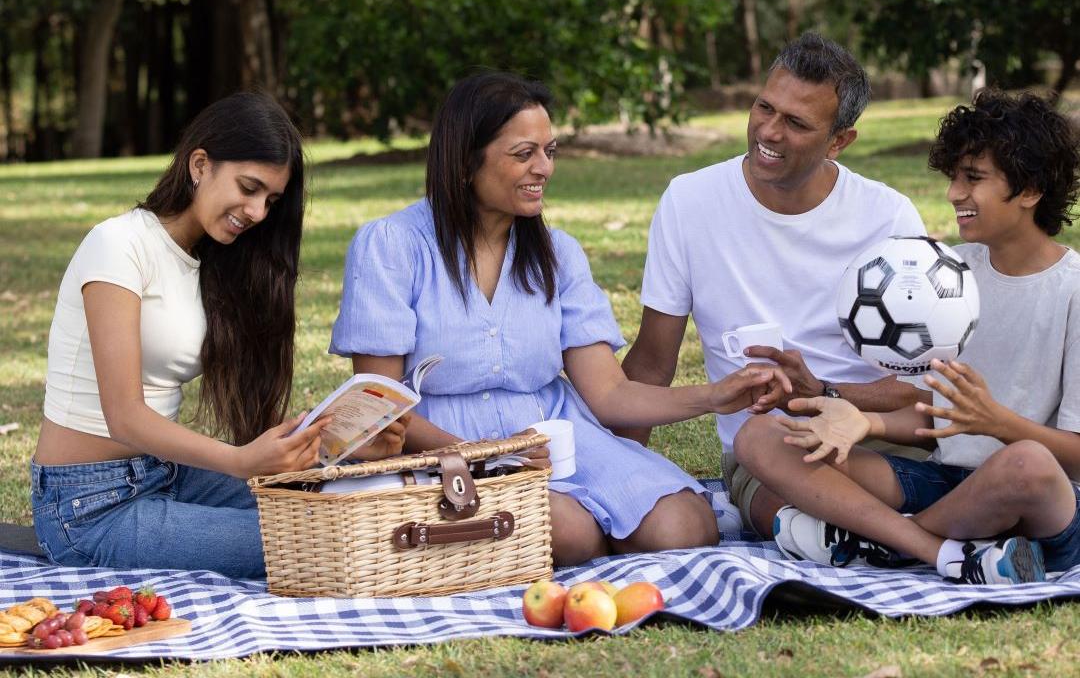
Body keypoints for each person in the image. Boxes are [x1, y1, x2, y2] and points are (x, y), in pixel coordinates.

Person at [328, 71, 792, 566]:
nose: (544, 168)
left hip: (555, 436)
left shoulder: (559, 254)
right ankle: (587, 531)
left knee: (686, 527)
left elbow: (609, 395)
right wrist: (491, 454)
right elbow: (378, 407)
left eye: (550, 151)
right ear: (466, 161)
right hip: (446, 447)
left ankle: (592, 526)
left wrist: (714, 396)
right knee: (569, 535)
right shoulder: (390, 246)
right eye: (524, 154)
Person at [31, 93, 405, 580]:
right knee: (313, 540)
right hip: (87, 507)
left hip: (162, 475)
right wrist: (239, 461)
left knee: (336, 499)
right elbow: (123, 416)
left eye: (270, 200)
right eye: (248, 188)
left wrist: (333, 448)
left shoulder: (214, 261)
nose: (257, 212)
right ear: (200, 164)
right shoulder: (119, 245)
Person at [737, 90, 1080, 584]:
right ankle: (933, 550)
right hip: (945, 481)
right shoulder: (953, 273)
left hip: (1042, 504)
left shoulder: (1070, 290)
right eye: (954, 177)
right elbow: (935, 414)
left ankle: (880, 543)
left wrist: (997, 422)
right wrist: (863, 423)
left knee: (1026, 463)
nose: (954, 193)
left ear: (1029, 190)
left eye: (973, 179)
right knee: (761, 435)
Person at [621, 32, 929, 537]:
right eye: (764, 107)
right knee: (773, 497)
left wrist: (826, 393)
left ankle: (868, 537)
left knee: (831, 503)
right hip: (766, 450)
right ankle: (900, 538)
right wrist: (618, 480)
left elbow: (921, 382)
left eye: (796, 122)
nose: (769, 130)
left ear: (839, 141)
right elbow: (653, 363)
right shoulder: (689, 201)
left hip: (875, 438)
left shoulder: (888, 218)